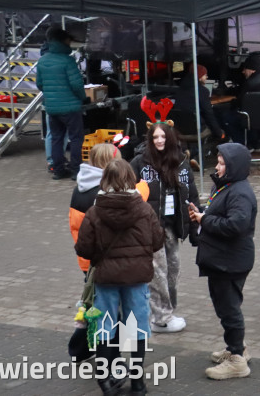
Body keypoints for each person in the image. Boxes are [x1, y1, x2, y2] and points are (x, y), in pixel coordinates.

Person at [75, 158, 165, 395]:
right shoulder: (144, 208)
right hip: (137, 278)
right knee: (137, 328)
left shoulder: (95, 211)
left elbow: (83, 248)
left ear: (105, 181)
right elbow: (157, 241)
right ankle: (138, 383)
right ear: (130, 179)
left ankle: (105, 381)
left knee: (104, 328)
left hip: (106, 279)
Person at [187, 144, 257, 380]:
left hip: (230, 260)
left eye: (222, 163)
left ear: (234, 165)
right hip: (222, 259)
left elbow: (236, 225)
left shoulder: (240, 192)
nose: (217, 167)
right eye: (218, 161)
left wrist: (204, 219)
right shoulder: (228, 187)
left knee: (229, 308)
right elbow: (224, 214)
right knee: (224, 305)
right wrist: (203, 213)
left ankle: (237, 358)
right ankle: (235, 347)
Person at [131, 122, 197, 334]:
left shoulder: (182, 162)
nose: (159, 141)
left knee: (173, 270)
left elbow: (192, 193)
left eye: (163, 137)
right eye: (155, 137)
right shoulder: (140, 163)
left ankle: (167, 311)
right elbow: (129, 191)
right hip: (151, 226)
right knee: (158, 271)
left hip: (173, 225)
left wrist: (195, 220)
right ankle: (161, 318)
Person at [69, 143, 150, 277]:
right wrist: (144, 185)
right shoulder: (105, 191)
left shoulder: (79, 188)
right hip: (105, 260)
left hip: (86, 259)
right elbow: (133, 199)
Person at [37, 26, 86, 180]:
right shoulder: (68, 61)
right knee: (76, 137)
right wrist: (82, 97)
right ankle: (76, 169)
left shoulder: (42, 60)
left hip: (52, 107)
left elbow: (39, 84)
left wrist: (51, 95)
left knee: (56, 138)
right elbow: (77, 84)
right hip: (71, 107)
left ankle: (58, 170)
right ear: (63, 41)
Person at [222, 53, 260, 148]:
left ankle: (243, 144)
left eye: (245, 69)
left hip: (253, 120)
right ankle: (256, 144)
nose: (243, 72)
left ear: (252, 70)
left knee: (228, 117)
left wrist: (232, 102)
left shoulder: (250, 83)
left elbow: (241, 102)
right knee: (251, 113)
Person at [173, 64, 224, 139]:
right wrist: (219, 133)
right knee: (220, 132)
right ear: (199, 77)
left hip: (181, 130)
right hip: (197, 130)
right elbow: (208, 114)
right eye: (205, 75)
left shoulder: (180, 89)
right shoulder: (202, 91)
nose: (207, 77)